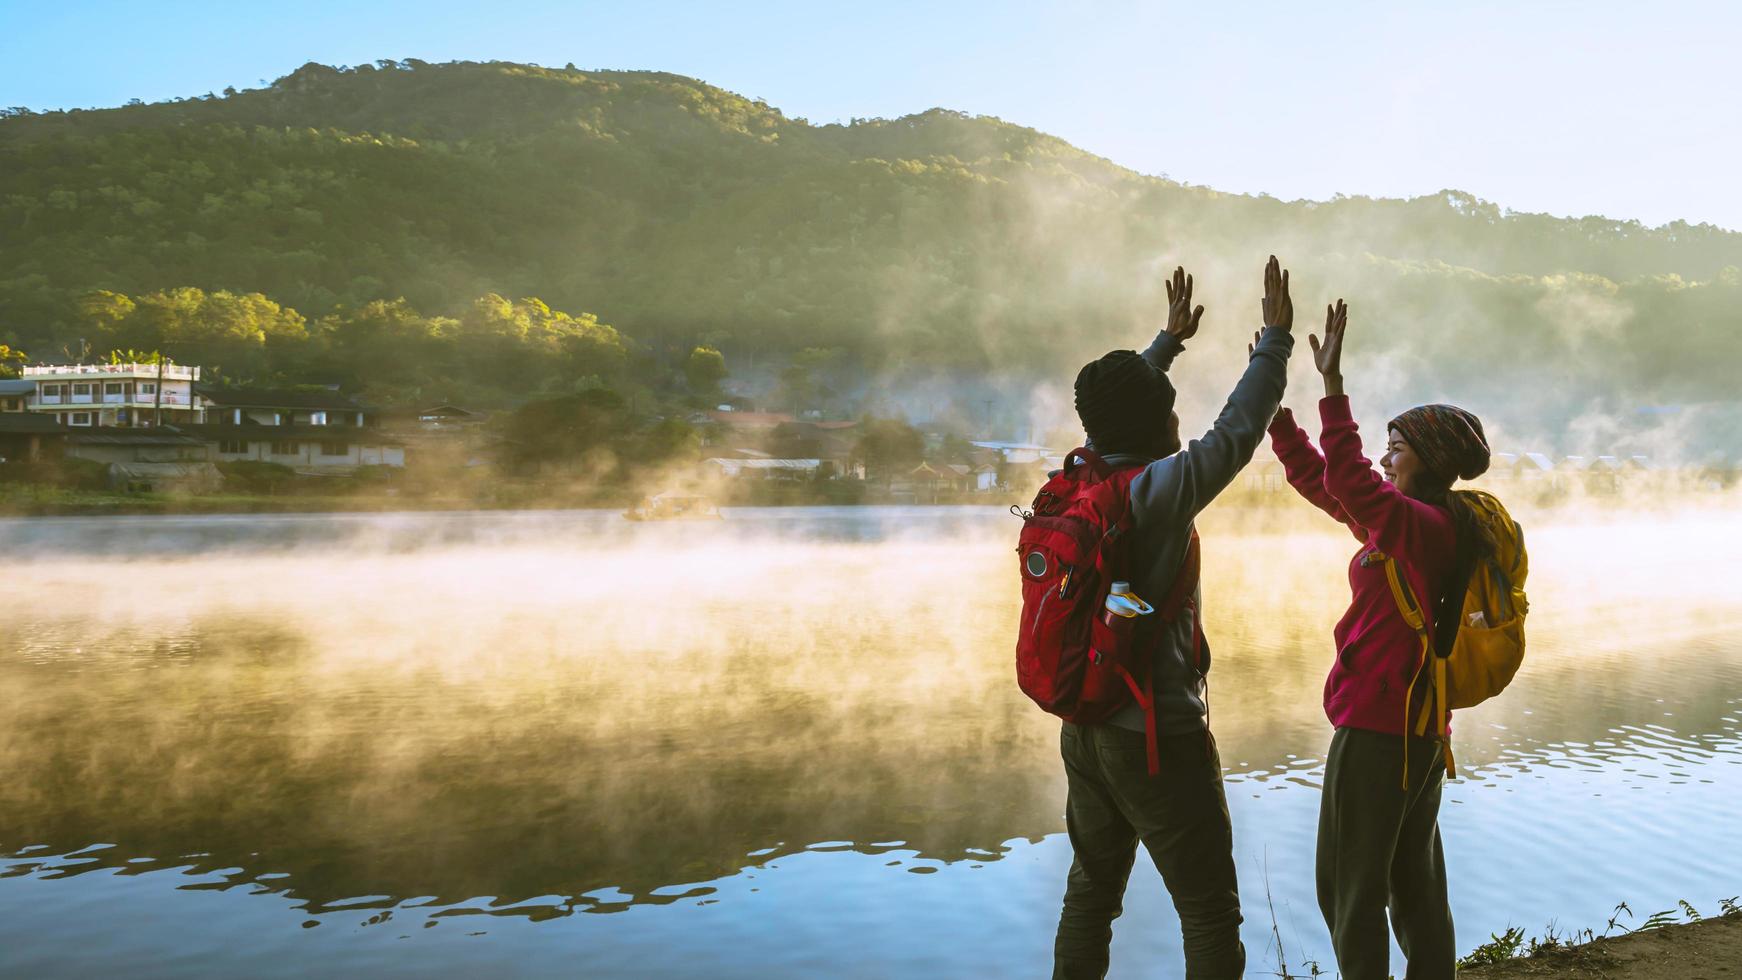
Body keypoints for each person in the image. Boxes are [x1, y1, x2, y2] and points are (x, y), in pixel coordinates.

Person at [1053, 257, 1295, 980]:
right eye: (1168, 406)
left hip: (1084, 728)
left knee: (1090, 896)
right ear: (1157, 420)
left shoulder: (1077, 481)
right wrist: (1274, 342)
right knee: (1209, 912)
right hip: (1155, 736)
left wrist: (1164, 346)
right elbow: (1236, 433)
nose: (1178, 416)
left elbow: (1111, 411)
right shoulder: (1157, 493)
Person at [1266, 300, 1493, 980]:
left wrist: (1333, 390)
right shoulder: (1409, 525)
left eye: (1396, 447)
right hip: (1417, 728)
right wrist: (1278, 423)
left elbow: (1352, 482)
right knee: (1413, 884)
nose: (1385, 456)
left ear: (1429, 460)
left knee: (1350, 889)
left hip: (1380, 730)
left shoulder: (1421, 528)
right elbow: (1333, 485)